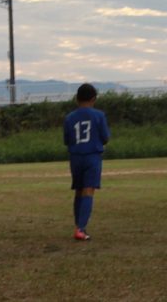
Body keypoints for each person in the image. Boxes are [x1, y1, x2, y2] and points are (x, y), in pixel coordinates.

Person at [63, 83, 110, 241]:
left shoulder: (69, 117)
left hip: (75, 157)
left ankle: (78, 225)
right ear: (93, 99)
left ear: (77, 99)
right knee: (88, 190)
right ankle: (81, 229)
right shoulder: (99, 115)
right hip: (92, 156)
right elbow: (105, 138)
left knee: (78, 190)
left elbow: (67, 140)